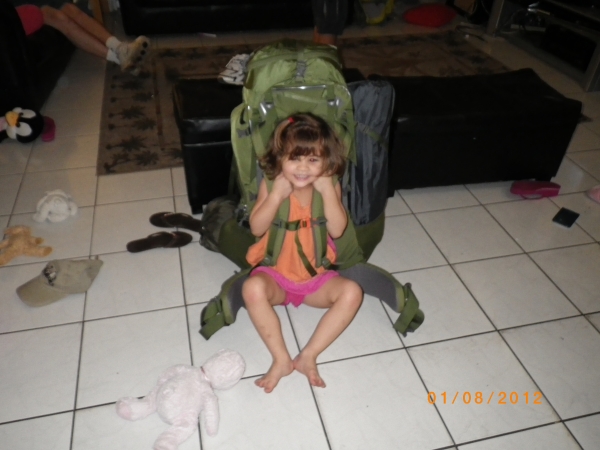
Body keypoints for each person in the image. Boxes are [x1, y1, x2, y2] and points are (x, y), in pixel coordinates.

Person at [242, 113, 363, 393]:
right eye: (294, 158)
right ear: (280, 158)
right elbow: (256, 227)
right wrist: (276, 196)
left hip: (315, 279)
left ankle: (308, 355)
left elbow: (337, 230)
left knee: (352, 292)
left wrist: (329, 192)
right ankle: (281, 359)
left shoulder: (328, 185)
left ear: (326, 161)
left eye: (313, 160)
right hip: (276, 276)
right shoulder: (272, 184)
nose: (302, 167)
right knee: (252, 288)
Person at [14, 1, 149, 74]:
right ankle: (119, 58)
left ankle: (120, 48)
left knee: (69, 8)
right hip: (15, 9)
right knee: (56, 16)